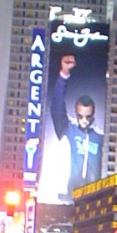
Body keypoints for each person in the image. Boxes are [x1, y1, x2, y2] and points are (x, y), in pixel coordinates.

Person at [37, 43, 78, 204]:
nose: (83, 120)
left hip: (92, 198)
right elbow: (56, 107)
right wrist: (64, 74)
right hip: (68, 197)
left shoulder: (98, 136)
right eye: (80, 115)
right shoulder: (69, 131)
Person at [67, 95, 105, 194]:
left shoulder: (100, 135)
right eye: (80, 116)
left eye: (88, 116)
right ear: (75, 112)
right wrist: (62, 81)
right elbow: (57, 110)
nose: (84, 120)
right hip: (73, 190)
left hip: (93, 192)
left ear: (93, 115)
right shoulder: (71, 128)